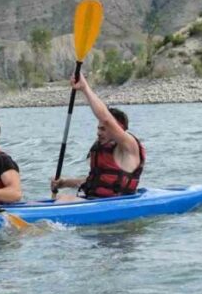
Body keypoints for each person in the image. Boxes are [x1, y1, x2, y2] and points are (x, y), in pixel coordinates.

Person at [50, 72, 146, 202]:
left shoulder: (128, 146)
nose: (98, 133)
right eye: (98, 128)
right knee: (61, 198)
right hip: (95, 200)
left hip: (117, 205)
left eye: (104, 129)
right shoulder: (101, 148)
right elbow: (95, 181)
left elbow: (106, 119)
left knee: (63, 200)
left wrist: (84, 88)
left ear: (118, 129)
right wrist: (64, 182)